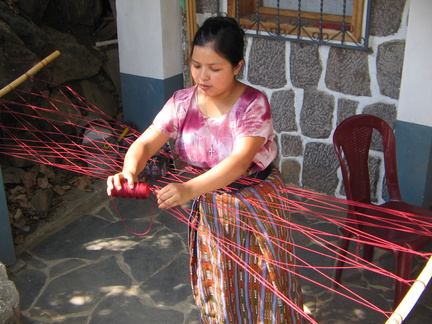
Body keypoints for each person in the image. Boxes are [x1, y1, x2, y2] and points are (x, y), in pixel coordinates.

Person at [107, 16, 304, 323]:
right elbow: (144, 144)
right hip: (213, 204)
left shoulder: (253, 105)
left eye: (215, 69)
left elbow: (239, 163)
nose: (202, 76)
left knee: (264, 283)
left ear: (237, 66)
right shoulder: (182, 103)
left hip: (255, 202)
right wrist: (129, 171)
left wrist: (188, 189)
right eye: (196, 65)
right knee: (222, 282)